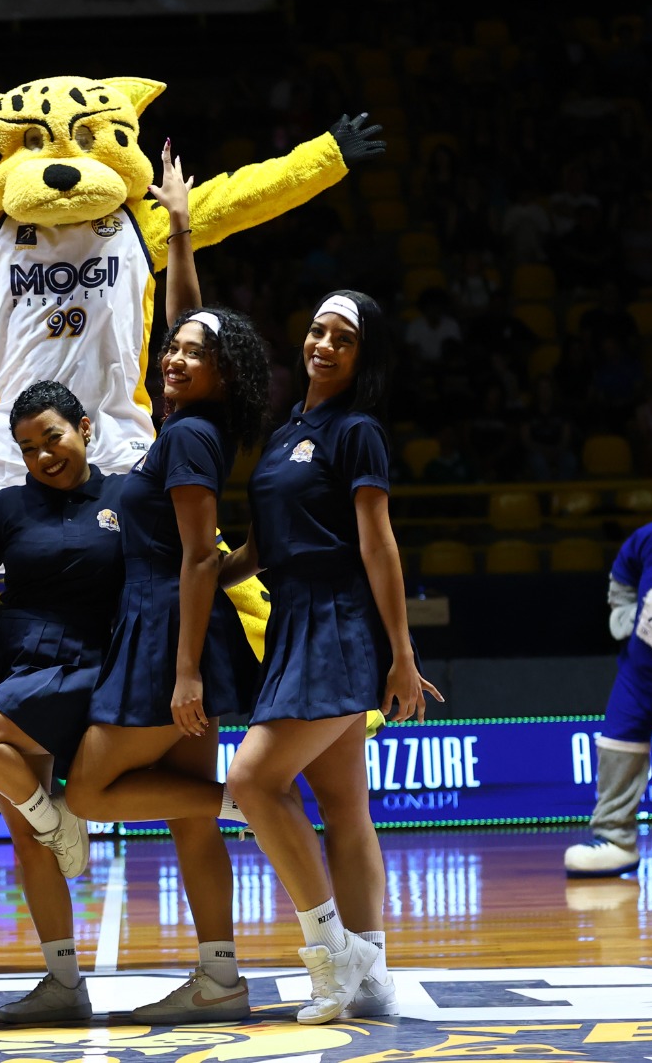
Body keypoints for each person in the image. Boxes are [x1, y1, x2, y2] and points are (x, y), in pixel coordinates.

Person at [65, 147, 267, 1024]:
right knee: (188, 822)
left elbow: (193, 556)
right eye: (173, 348)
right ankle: (220, 974)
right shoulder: (200, 421)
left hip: (164, 626)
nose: (175, 355)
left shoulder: (187, 440)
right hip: (184, 621)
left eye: (193, 354)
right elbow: (190, 313)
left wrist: (184, 672)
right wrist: (180, 230)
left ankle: (260, 801)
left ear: (225, 374)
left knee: (85, 791)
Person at [218, 284, 443, 1022]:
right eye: (317, 331)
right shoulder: (285, 432)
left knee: (252, 780)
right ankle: (372, 970)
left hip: (339, 619)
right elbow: (260, 545)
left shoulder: (358, 432)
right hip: (290, 618)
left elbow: (378, 542)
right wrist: (196, 576)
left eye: (341, 339)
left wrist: (401, 653)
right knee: (346, 807)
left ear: (361, 355)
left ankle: (330, 953)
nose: (322, 345)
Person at [0, 380, 126, 1023]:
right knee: (26, 841)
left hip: (86, 666)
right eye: (27, 448)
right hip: (12, 659)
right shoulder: (5, 509)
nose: (44, 456)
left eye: (53, 437)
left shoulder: (126, 497)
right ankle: (63, 981)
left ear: (83, 427)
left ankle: (60, 821)